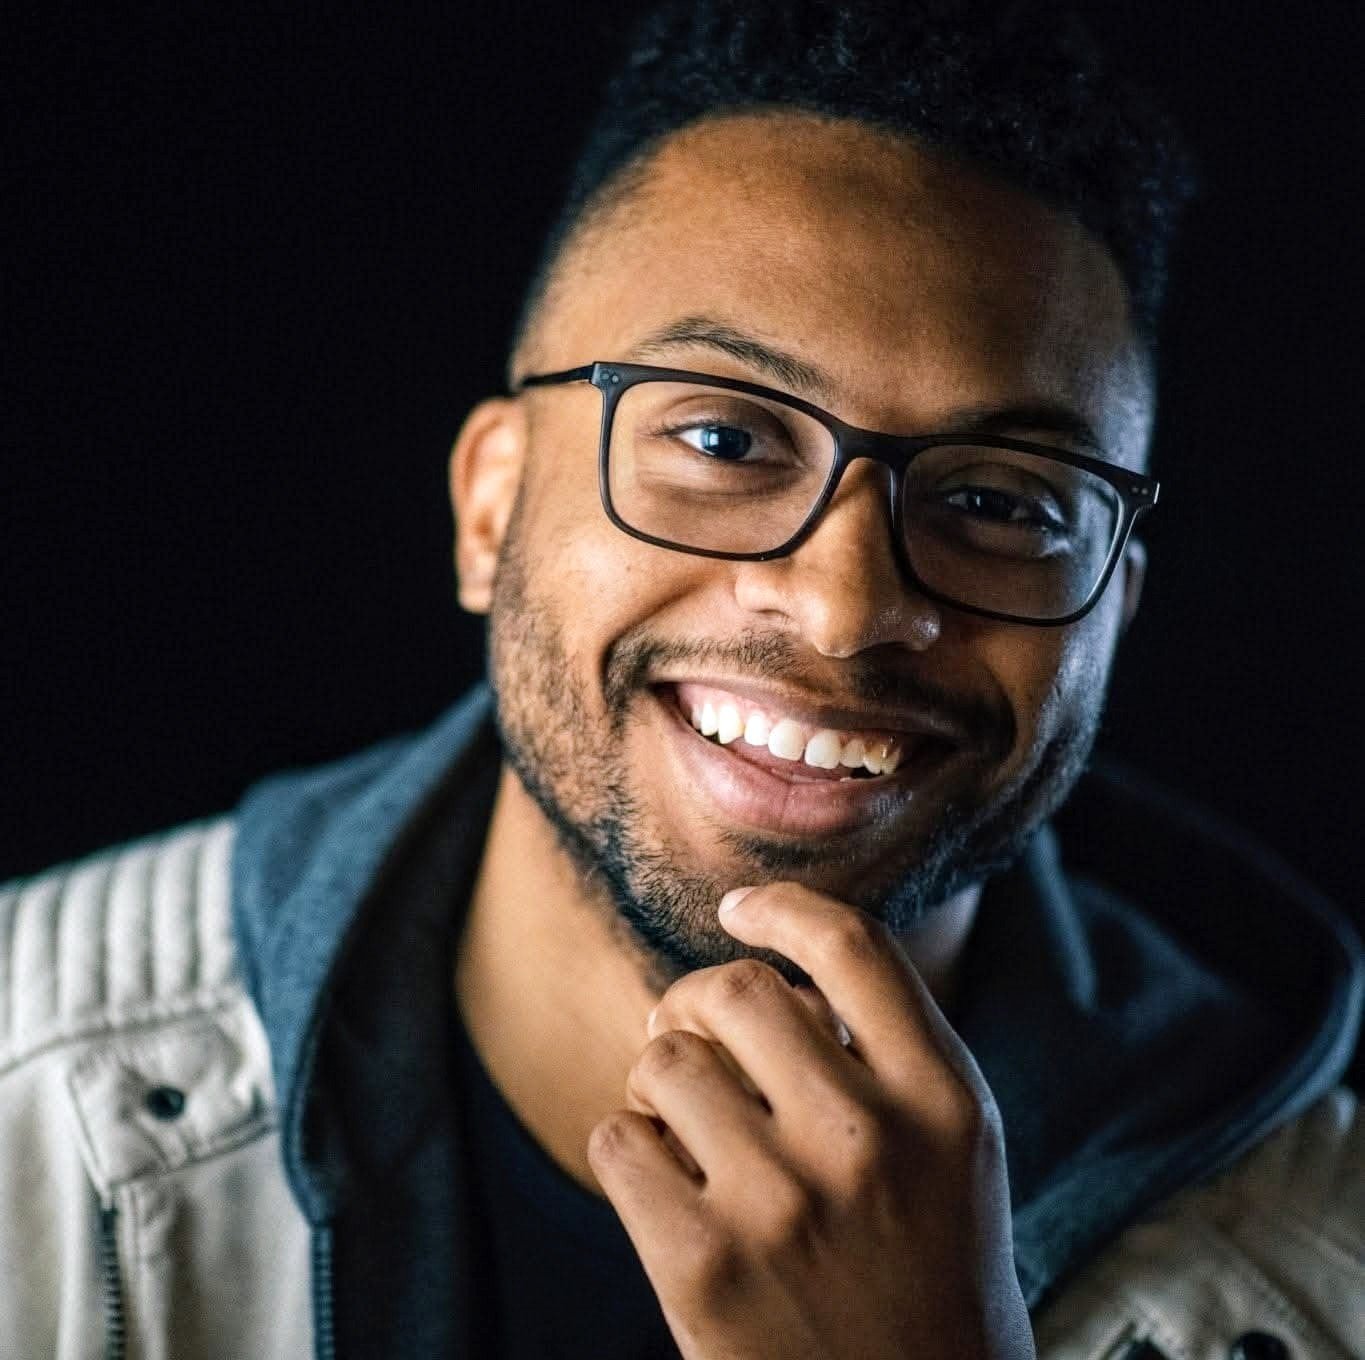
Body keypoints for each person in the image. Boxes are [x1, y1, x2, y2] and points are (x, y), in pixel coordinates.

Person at [2, 1, 1361, 1356]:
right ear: (491, 508)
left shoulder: (1331, 1267)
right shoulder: (25, 1082)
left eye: (1002, 504)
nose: (843, 611)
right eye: (721, 436)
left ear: (1112, 611)